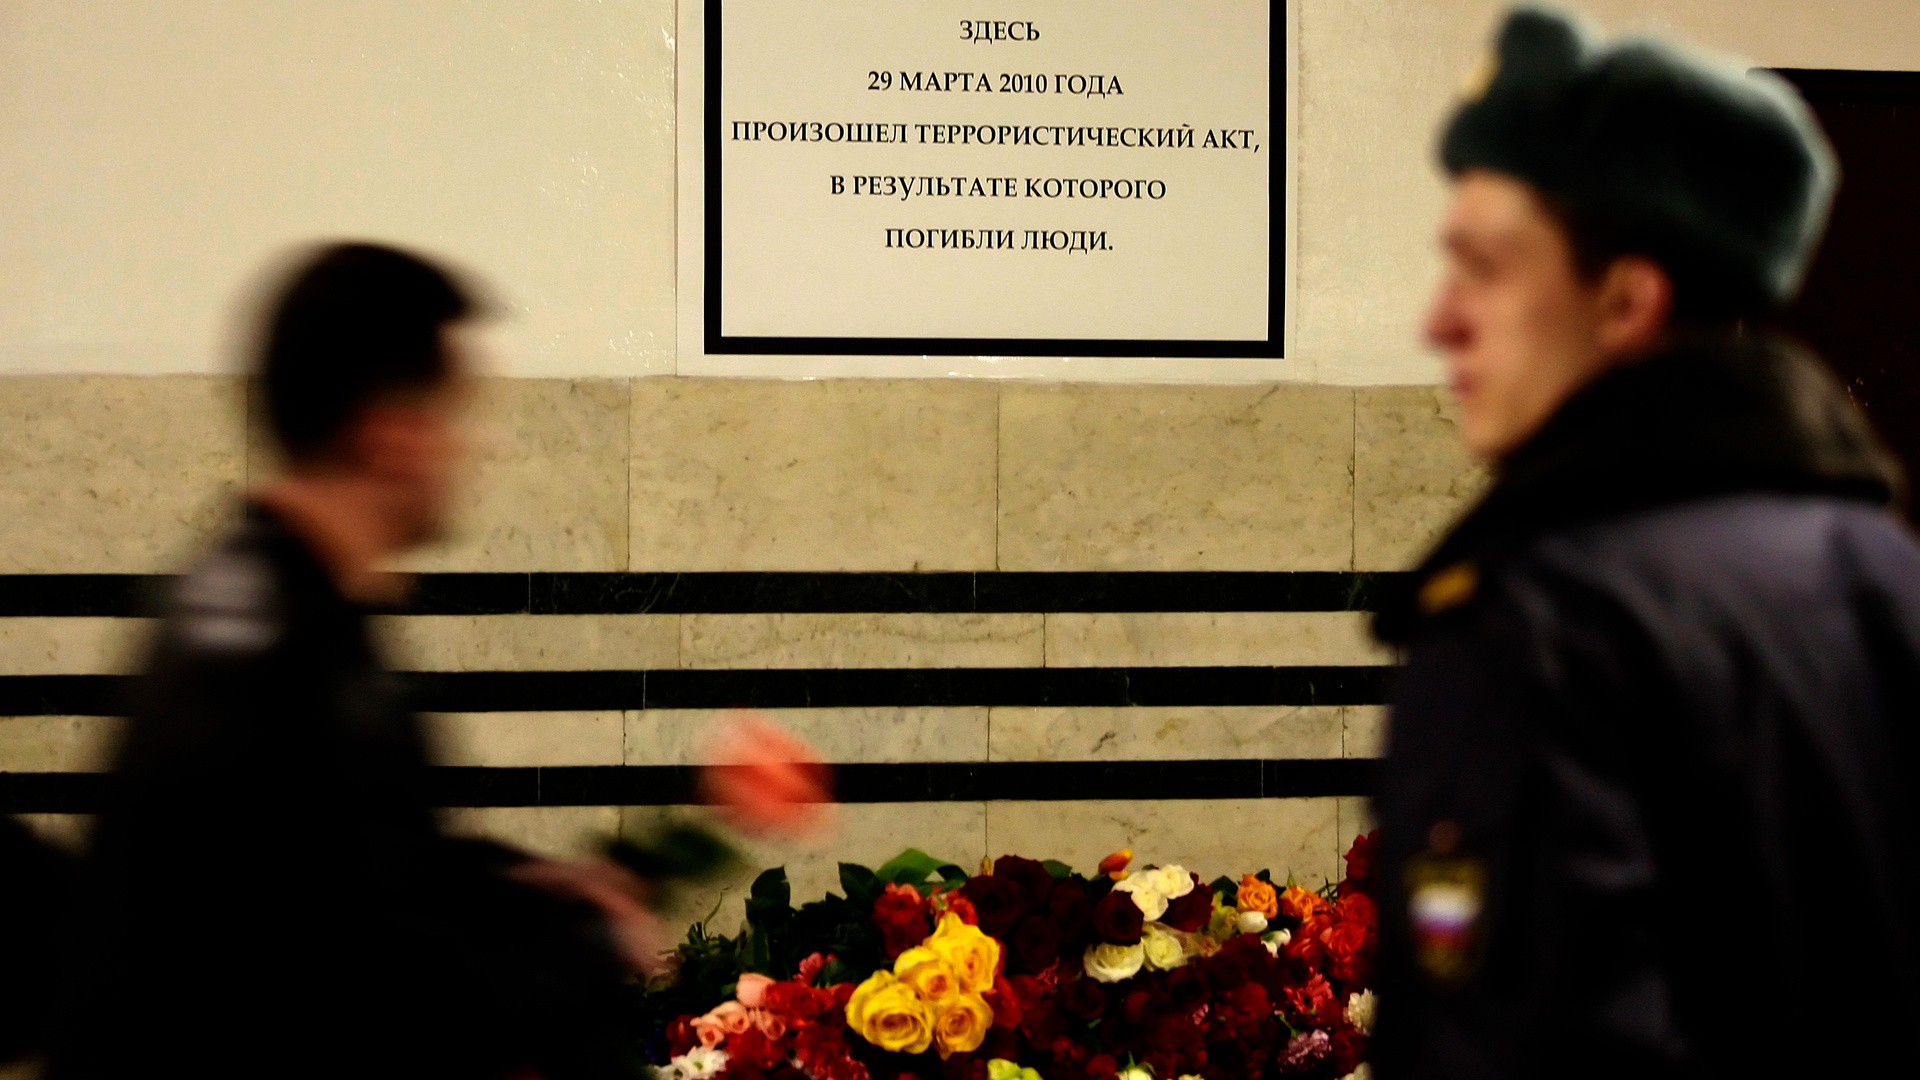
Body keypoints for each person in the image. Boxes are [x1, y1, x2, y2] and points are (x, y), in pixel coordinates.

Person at [1371, 6, 1918, 1078]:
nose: (1440, 319)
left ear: (1626, 301)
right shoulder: (1886, 576)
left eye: (1486, 268)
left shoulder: (1534, 627)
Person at [50, 243, 663, 1080]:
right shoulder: (278, 654)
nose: (476, 448)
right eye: (456, 416)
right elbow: (383, 992)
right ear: (390, 438)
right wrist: (589, 948)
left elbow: (357, 866)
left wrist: (536, 884)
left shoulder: (264, 593)